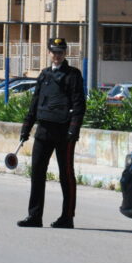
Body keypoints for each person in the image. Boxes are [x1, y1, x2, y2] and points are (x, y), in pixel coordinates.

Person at [17, 37, 86, 229]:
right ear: (49, 53)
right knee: (37, 173)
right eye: (54, 52)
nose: (57, 56)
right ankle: (34, 216)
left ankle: (67, 217)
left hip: (64, 133)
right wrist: (26, 128)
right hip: (43, 131)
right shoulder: (45, 74)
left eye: (60, 52)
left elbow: (79, 105)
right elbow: (35, 103)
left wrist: (74, 129)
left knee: (66, 175)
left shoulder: (73, 75)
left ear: (65, 54)